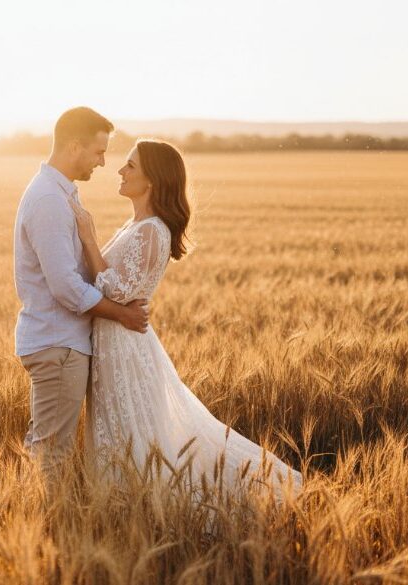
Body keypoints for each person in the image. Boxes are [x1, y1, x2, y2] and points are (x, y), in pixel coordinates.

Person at [70, 139, 302, 498]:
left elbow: (116, 290)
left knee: (136, 432)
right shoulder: (137, 225)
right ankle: (124, 504)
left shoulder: (151, 230)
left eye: (130, 165)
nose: (120, 170)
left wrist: (88, 239)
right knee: (124, 428)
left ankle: (149, 503)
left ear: (152, 179)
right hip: (115, 341)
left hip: (125, 345)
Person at [13, 107, 150, 480]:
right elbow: (65, 287)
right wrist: (122, 313)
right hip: (59, 343)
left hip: (61, 342)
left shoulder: (60, 193)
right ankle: (40, 530)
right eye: (98, 152)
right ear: (75, 146)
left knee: (50, 450)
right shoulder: (49, 201)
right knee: (50, 454)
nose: (104, 162)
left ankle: (35, 526)